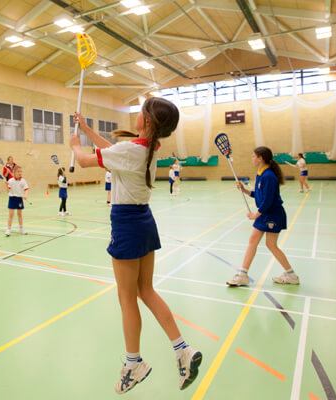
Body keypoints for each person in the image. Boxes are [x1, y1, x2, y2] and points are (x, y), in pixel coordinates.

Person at [69, 98, 202, 395]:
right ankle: (182, 349)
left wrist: (74, 144)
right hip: (144, 219)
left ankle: (134, 364)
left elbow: (85, 160)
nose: (138, 114)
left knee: (127, 297)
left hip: (127, 223)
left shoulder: (131, 150)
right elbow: (113, 151)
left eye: (142, 111)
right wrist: (88, 129)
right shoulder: (147, 147)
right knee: (146, 290)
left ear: (149, 121)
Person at [226, 147, 299, 287]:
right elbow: (259, 194)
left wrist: (255, 215)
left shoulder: (269, 176)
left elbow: (267, 201)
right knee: (259, 242)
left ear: (261, 158)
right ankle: (244, 275)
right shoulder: (261, 174)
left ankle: (290, 275)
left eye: (254, 156)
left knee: (269, 244)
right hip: (266, 213)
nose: (252, 158)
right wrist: (245, 190)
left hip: (272, 214)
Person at [5, 165, 29, 236]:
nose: (20, 173)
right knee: (11, 215)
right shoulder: (10, 181)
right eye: (18, 171)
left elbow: (26, 189)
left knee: (19, 214)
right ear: (14, 172)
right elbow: (8, 190)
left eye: (21, 171)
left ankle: (21, 229)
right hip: (12, 198)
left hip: (19, 199)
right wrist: (6, 185)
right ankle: (8, 229)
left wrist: (26, 195)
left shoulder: (23, 181)